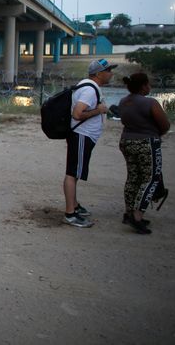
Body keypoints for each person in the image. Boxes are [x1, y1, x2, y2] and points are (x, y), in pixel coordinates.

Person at [62, 58, 116, 228]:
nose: (111, 73)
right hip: (81, 135)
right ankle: (70, 213)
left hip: (83, 136)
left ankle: (75, 205)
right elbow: (77, 114)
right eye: (108, 70)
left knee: (75, 172)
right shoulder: (89, 90)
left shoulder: (89, 87)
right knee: (72, 173)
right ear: (98, 73)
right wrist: (98, 111)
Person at [118, 73, 171, 235]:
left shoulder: (123, 102)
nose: (150, 87)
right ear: (143, 86)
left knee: (133, 177)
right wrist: (155, 134)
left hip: (127, 140)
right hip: (147, 142)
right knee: (150, 178)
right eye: (148, 84)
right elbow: (165, 125)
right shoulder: (150, 103)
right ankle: (138, 216)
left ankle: (128, 212)